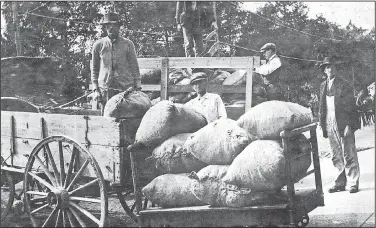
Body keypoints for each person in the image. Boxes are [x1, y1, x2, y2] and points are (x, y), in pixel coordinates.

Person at [318, 57, 361, 194]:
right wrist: (322, 124)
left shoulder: (344, 84)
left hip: (342, 121)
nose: (329, 69)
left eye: (331, 67)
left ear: (335, 68)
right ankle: (340, 182)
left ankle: (353, 181)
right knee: (335, 153)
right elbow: (321, 107)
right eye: (327, 67)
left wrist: (349, 124)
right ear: (324, 70)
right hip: (329, 121)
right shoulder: (322, 86)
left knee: (348, 152)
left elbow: (350, 106)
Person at [91, 12, 141, 113]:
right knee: (106, 118)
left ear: (119, 27)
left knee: (127, 117)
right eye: (109, 25)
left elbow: (134, 66)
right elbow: (94, 69)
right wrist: (95, 89)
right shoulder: (98, 45)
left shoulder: (128, 44)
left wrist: (138, 86)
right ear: (105, 27)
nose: (112, 27)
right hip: (105, 88)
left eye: (115, 25)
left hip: (126, 88)